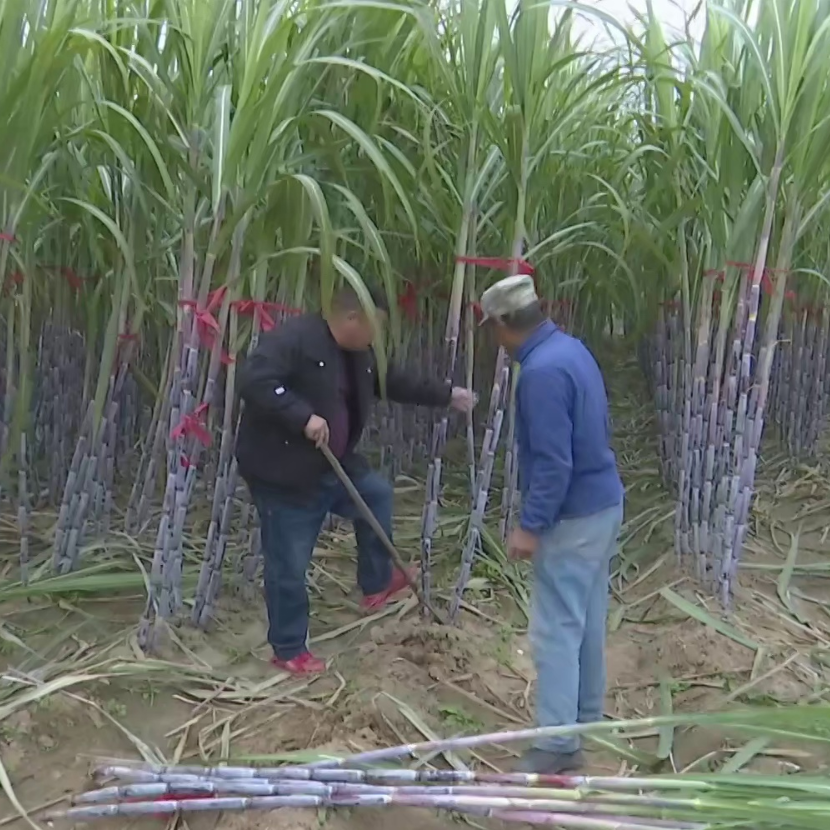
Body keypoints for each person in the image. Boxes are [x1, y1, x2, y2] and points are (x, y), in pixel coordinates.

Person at [236, 286, 475, 676]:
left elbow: (392, 380)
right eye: (374, 326)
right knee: (289, 565)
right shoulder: (293, 340)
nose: (376, 337)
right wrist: (301, 416)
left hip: (334, 465)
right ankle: (289, 647)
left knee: (376, 495)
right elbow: (255, 380)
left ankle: (376, 582)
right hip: (287, 475)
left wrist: (446, 395)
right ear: (351, 318)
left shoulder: (358, 353)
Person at [479, 274, 624, 775]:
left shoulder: (540, 372)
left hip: (573, 517)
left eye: (491, 329)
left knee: (556, 628)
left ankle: (558, 744)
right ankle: (583, 719)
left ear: (503, 323)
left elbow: (553, 462)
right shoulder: (571, 350)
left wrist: (531, 524)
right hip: (603, 504)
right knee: (586, 618)